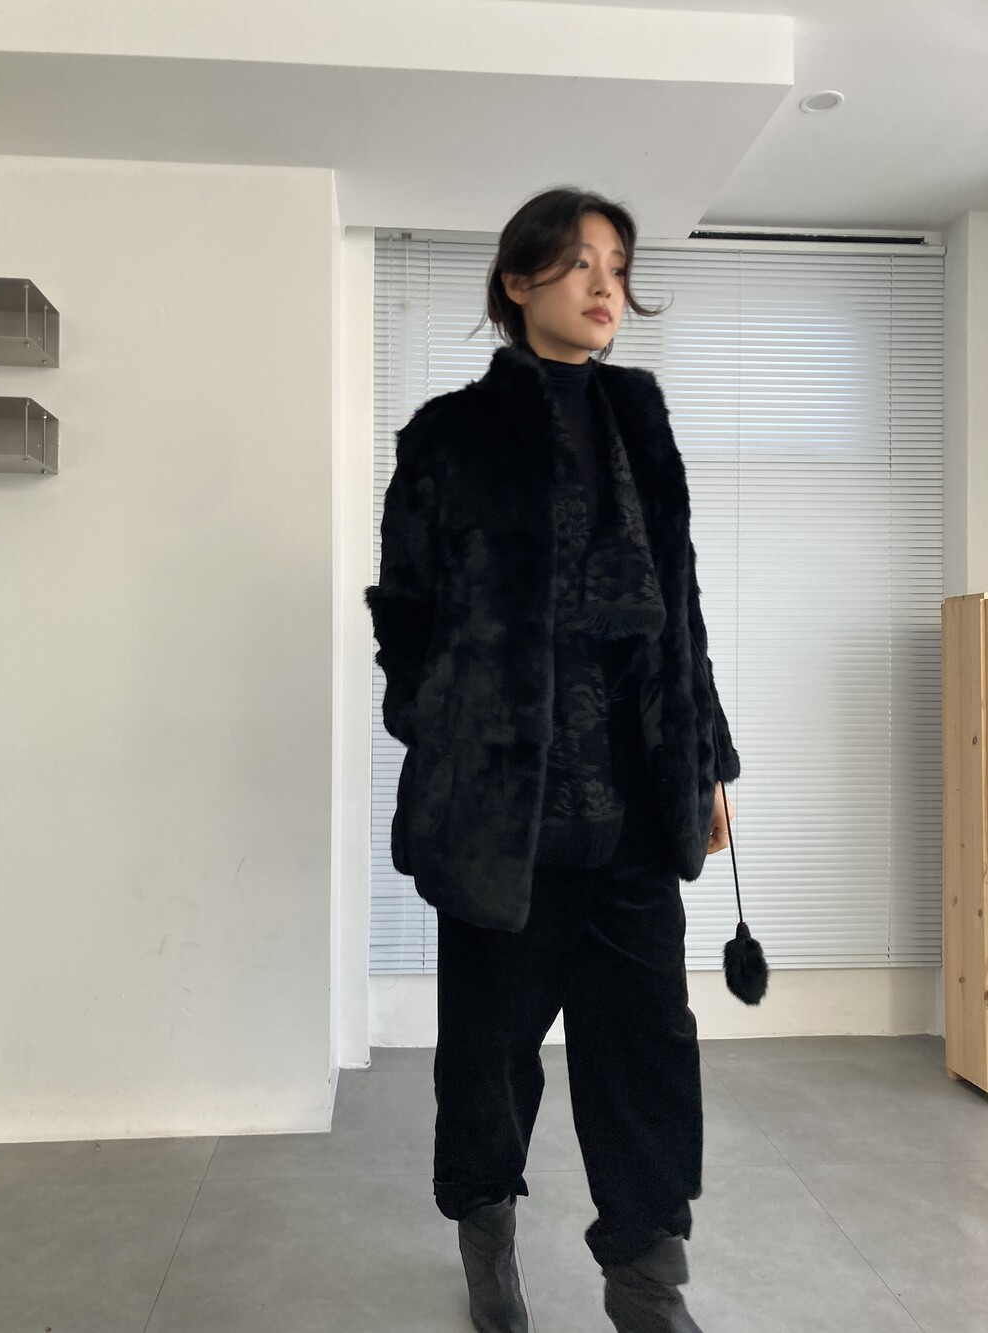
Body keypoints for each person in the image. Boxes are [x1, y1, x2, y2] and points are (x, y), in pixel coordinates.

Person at [364, 187, 740, 1333]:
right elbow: (406, 612)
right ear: (518, 280)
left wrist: (708, 760)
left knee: (646, 1054)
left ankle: (646, 1285)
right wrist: (449, 730)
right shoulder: (447, 435)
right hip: (505, 821)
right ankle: (487, 1240)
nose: (603, 285)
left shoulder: (641, 418)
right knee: (489, 1059)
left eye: (616, 266)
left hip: (633, 808)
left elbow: (681, 609)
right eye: (577, 263)